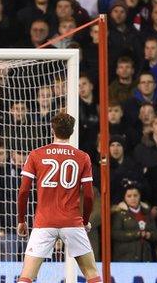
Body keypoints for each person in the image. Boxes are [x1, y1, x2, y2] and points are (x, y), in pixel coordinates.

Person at [16, 113, 101, 283]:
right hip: (72, 221)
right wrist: (84, 220)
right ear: (72, 131)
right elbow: (89, 195)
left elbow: (24, 190)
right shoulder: (82, 157)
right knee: (92, 274)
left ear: (52, 129)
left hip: (44, 222)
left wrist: (21, 220)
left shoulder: (36, 154)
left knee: (26, 276)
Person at [111, 183, 157, 262]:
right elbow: (115, 234)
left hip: (145, 256)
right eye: (129, 196)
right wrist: (137, 234)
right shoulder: (119, 213)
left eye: (135, 195)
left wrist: (148, 235)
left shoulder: (147, 212)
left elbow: (155, 234)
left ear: (140, 196)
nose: (133, 198)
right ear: (124, 198)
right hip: (125, 256)